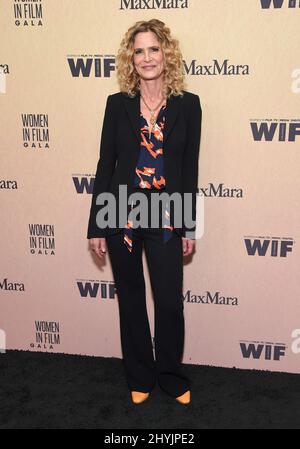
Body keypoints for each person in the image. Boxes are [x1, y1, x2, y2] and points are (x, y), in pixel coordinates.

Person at [87, 19, 202, 405]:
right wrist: (97, 224)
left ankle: (171, 375)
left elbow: (189, 168)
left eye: (154, 49)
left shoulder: (189, 105)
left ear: (166, 54)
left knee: (170, 301)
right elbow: (106, 165)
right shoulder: (117, 105)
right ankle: (140, 375)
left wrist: (187, 225)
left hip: (168, 213)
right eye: (139, 51)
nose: (147, 57)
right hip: (121, 211)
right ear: (130, 59)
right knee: (132, 299)